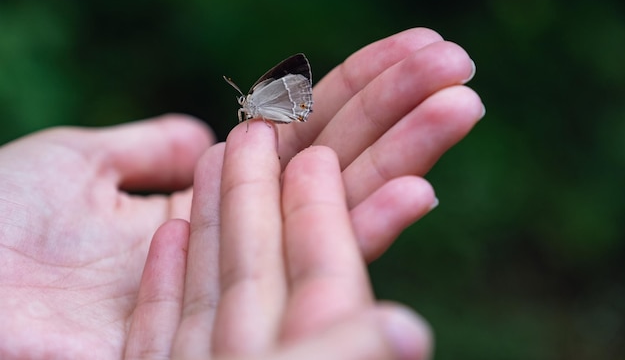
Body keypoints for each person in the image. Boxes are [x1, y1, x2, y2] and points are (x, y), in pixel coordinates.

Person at [0, 28, 483, 359]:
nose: (240, 102)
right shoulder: (250, 108)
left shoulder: (258, 102)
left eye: (243, 97)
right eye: (241, 98)